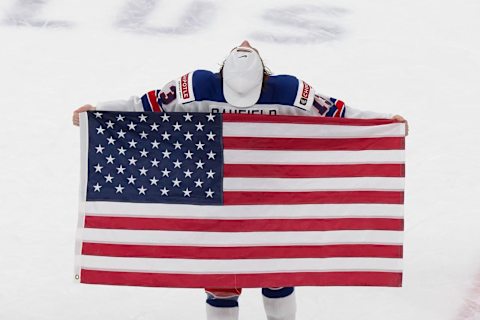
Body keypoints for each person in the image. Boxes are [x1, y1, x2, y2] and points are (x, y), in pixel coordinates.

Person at [72, 40, 408, 320]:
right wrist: (97, 112)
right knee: (261, 272)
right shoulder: (283, 91)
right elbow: (339, 112)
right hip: (244, 195)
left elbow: (142, 106)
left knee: (248, 273)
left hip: (254, 196)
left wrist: (384, 122)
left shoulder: (196, 88)